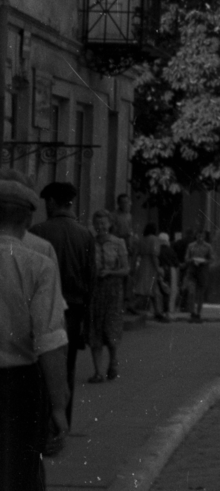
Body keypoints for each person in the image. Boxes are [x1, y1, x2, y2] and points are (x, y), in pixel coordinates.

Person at [0, 173, 69, 491]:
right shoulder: (38, 263)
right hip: (16, 386)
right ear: (26, 221)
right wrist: (59, 406)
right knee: (17, 480)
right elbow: (49, 340)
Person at [34, 180, 95, 428]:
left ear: (50, 202)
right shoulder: (85, 235)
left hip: (45, 308)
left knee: (41, 366)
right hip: (75, 310)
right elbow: (91, 280)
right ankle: (63, 422)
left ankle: (44, 420)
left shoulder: (38, 232)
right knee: (66, 366)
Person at [87, 211, 130, 381]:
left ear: (110, 224)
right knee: (94, 330)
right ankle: (98, 372)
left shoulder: (118, 243)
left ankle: (113, 362)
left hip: (113, 292)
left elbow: (126, 269)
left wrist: (111, 272)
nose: (100, 227)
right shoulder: (90, 242)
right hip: (95, 291)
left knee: (111, 329)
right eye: (97, 224)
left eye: (103, 224)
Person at [182, 227, 213, 323]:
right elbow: (186, 258)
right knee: (191, 292)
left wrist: (205, 261)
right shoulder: (191, 246)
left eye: (202, 236)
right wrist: (191, 260)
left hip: (202, 271)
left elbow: (211, 259)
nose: (200, 238)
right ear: (196, 236)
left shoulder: (208, 247)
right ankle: (192, 313)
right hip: (192, 271)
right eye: (199, 236)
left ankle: (198, 314)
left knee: (200, 294)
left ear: (204, 237)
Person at [132, 223, 161, 316]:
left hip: (142, 264)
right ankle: (132, 305)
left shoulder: (141, 240)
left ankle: (157, 311)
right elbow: (154, 255)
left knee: (151, 289)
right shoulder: (155, 239)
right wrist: (158, 268)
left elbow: (136, 254)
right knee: (148, 289)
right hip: (150, 266)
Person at [155, 232, 174, 320]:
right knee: (166, 292)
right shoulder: (170, 250)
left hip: (157, 270)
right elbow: (175, 262)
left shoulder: (157, 249)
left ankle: (158, 311)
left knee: (157, 292)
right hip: (167, 271)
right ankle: (166, 312)